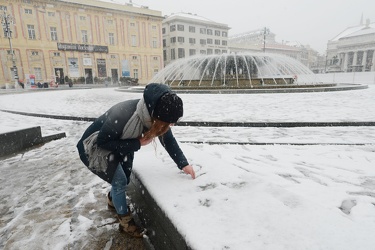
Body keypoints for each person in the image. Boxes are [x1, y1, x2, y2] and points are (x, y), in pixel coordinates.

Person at [77, 83, 195, 238]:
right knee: (119, 181)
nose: (170, 125)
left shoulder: (154, 114)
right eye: (169, 123)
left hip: (118, 144)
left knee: (125, 176)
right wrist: (137, 143)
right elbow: (102, 142)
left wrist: (183, 163)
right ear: (157, 117)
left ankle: (113, 200)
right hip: (93, 148)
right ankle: (126, 223)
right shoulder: (125, 115)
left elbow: (169, 140)